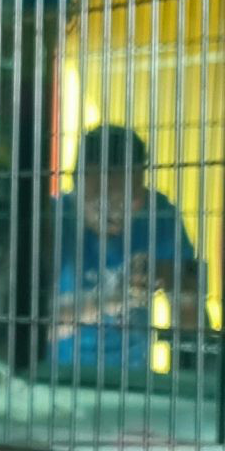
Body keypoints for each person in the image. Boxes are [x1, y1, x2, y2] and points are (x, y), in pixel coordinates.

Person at [49, 125, 207, 372]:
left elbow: (190, 305)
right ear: (77, 184)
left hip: (134, 382)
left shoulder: (157, 214)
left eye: (130, 195)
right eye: (104, 196)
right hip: (57, 378)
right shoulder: (50, 220)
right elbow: (29, 324)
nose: (118, 208)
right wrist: (105, 301)